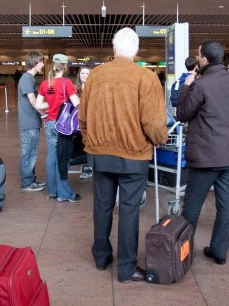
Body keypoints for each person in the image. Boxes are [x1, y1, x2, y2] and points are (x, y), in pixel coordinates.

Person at [78, 28, 167, 282]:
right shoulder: (146, 77)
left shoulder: (95, 75)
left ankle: (101, 257)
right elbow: (153, 122)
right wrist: (159, 140)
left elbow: (83, 116)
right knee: (129, 210)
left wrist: (90, 140)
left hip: (99, 153)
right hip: (134, 155)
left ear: (113, 49)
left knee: (102, 206)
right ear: (136, 51)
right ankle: (127, 268)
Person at [176, 40, 229, 266]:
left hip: (205, 156)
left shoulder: (201, 85)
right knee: (225, 205)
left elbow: (182, 113)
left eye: (199, 55)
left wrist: (186, 86)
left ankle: (183, 254)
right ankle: (220, 251)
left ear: (204, 59)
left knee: (192, 207)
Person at [36, 54, 80, 202]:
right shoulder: (66, 82)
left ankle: (52, 191)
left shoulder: (45, 83)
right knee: (63, 158)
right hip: (62, 125)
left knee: (51, 158)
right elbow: (76, 104)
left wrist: (52, 105)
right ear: (65, 67)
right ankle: (64, 194)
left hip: (49, 123)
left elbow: (38, 104)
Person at [18, 51, 46, 192]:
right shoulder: (27, 78)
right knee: (28, 152)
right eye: (41, 62)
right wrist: (45, 115)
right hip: (29, 122)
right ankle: (27, 182)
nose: (43, 65)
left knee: (31, 152)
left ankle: (31, 179)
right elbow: (33, 101)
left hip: (32, 122)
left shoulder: (29, 78)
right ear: (34, 62)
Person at [75, 65, 94, 179]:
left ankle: (89, 167)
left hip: (89, 121)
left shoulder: (93, 88)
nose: (85, 76)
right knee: (79, 143)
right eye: (82, 73)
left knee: (88, 143)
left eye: (87, 73)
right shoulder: (75, 88)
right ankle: (83, 164)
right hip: (77, 120)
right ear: (79, 75)